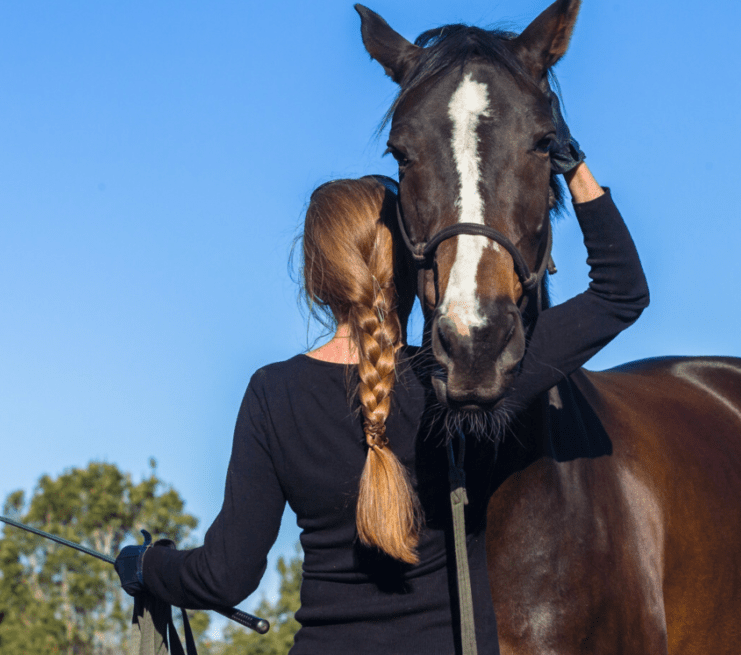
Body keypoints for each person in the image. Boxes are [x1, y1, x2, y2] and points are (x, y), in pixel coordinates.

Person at [115, 115, 648, 654]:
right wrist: (571, 163)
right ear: (415, 265)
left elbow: (223, 576)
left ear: (318, 280)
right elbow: (621, 291)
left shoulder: (272, 394)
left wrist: (145, 566)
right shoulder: (459, 378)